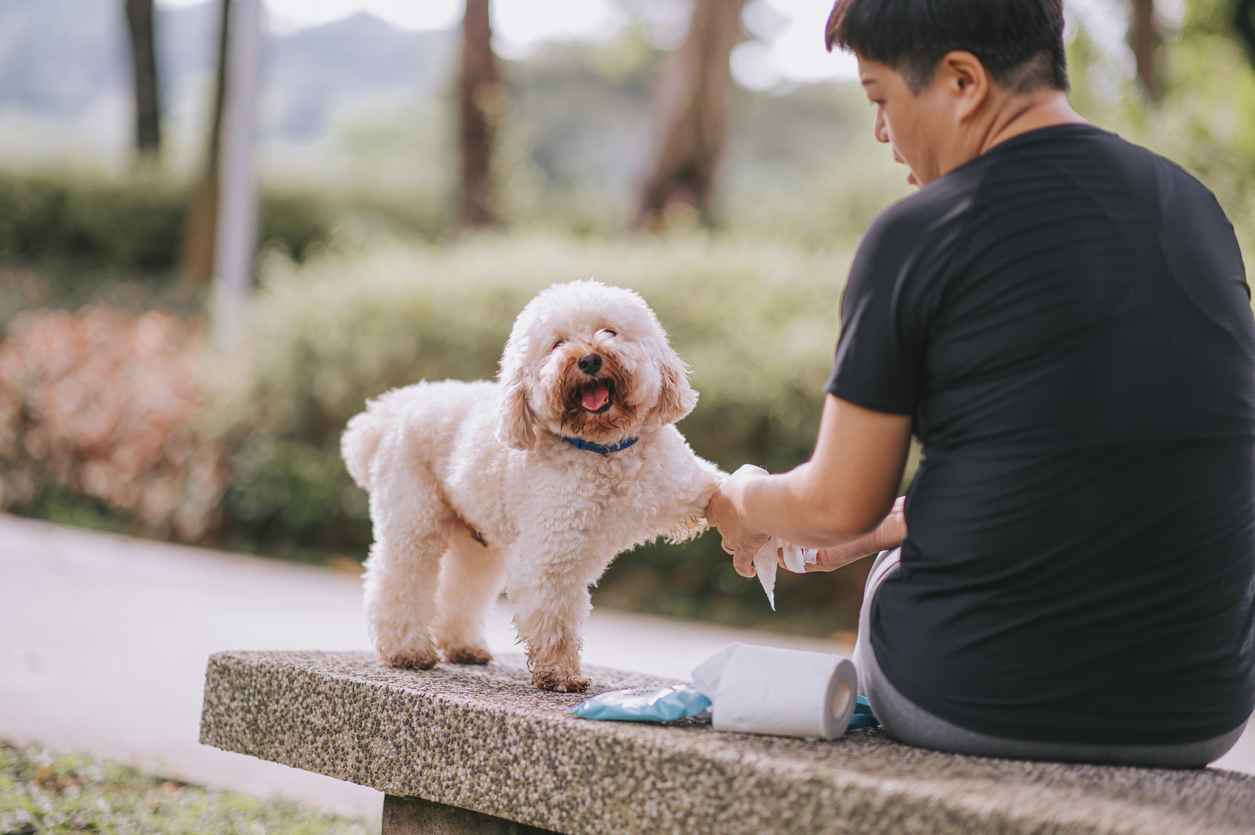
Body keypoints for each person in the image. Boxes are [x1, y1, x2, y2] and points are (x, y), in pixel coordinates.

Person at [705, 0, 1255, 767]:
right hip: (1200, 712)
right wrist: (896, 518)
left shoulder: (920, 232)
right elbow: (1102, 459)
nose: (879, 131)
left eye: (879, 98)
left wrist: (741, 498)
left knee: (891, 572)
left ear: (961, 80)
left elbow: (834, 504)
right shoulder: (1193, 207)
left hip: (969, 698)